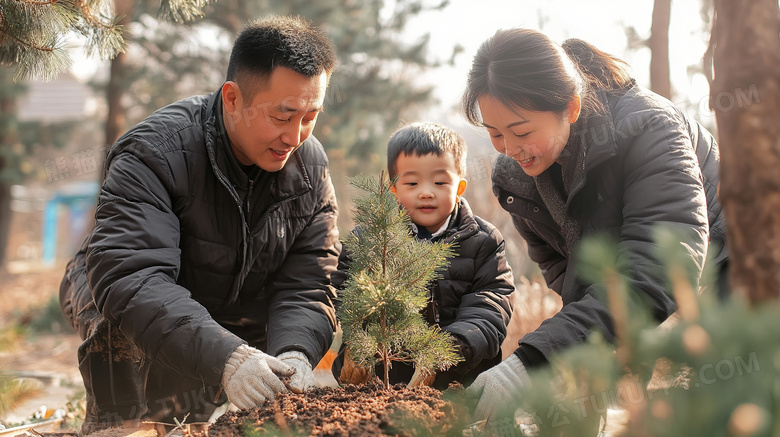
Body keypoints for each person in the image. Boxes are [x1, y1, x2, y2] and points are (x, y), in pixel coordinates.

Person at [59, 16, 341, 432]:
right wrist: (229, 357)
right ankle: (119, 425)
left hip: (234, 301)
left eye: (309, 116)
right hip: (119, 287)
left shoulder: (310, 168)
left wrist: (297, 353)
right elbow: (133, 277)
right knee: (146, 387)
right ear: (232, 99)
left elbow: (309, 282)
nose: (294, 136)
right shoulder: (154, 153)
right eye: (282, 116)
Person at [461, 28, 728, 423]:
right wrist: (573, 358)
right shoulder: (517, 180)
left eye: (521, 131)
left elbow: (660, 268)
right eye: (495, 134)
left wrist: (533, 359)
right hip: (634, 284)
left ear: (569, 107)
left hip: (733, 266)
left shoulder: (648, 128)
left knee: (730, 396)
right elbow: (569, 273)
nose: (510, 149)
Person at [332, 122, 515, 389]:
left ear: (460, 187)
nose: (426, 192)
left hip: (459, 377)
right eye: (412, 182)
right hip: (382, 379)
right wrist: (358, 343)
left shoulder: (482, 241)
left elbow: (491, 304)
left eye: (440, 182)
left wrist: (448, 350)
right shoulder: (370, 240)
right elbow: (343, 292)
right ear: (393, 189)